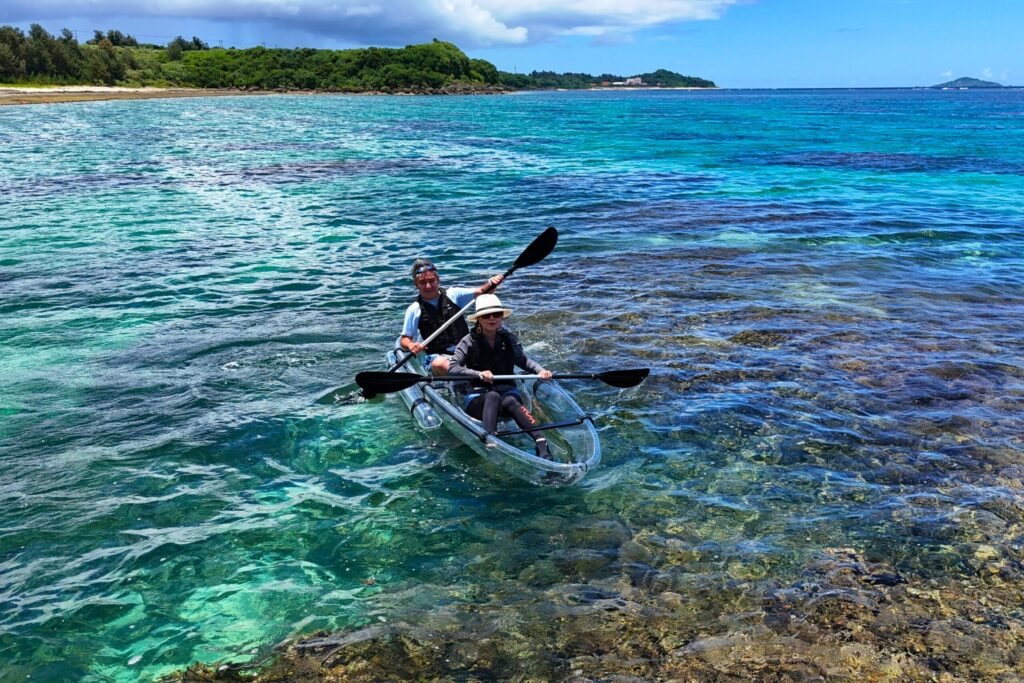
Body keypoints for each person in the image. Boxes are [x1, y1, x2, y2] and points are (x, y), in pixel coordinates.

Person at [448, 293, 554, 459]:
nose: (492, 318)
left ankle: (541, 443)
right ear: (479, 319)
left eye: (496, 314)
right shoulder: (468, 341)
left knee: (510, 400)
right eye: (486, 315)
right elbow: (453, 368)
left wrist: (540, 371)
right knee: (492, 395)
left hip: (507, 392)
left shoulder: (508, 338)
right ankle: (490, 440)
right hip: (479, 397)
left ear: (501, 317)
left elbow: (523, 360)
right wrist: (478, 374)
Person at [400, 258, 504, 373]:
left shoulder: (454, 295)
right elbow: (404, 339)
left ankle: (472, 375)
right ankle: (471, 377)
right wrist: (411, 345)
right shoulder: (414, 309)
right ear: (416, 285)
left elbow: (483, 291)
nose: (428, 286)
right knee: (440, 364)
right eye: (423, 283)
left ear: (438, 280)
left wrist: (491, 283)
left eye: (431, 281)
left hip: (466, 351)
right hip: (439, 357)